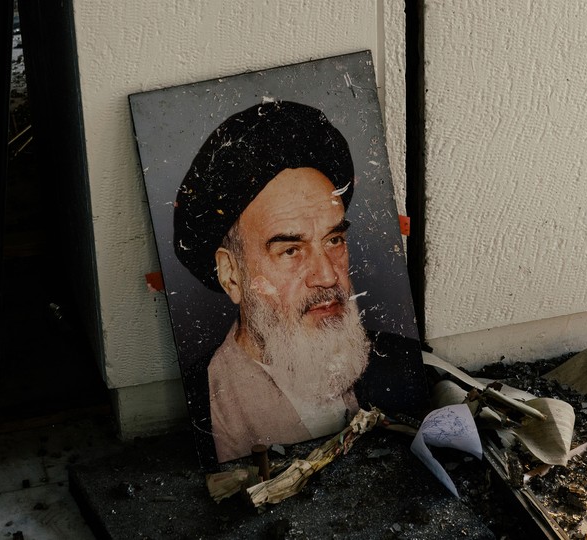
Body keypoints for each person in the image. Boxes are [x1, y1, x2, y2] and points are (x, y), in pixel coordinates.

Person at [173, 100, 427, 463]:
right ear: (232, 275)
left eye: (334, 240)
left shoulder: (400, 363)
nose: (326, 275)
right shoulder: (206, 401)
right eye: (291, 251)